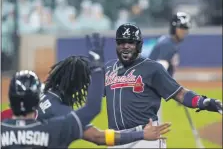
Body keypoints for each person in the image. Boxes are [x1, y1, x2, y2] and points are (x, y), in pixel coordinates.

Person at [1, 56, 172, 147]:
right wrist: (141, 134)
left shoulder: (40, 94)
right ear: (77, 85)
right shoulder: (62, 112)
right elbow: (99, 137)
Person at [103, 23, 222, 148]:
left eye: (130, 42)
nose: (125, 46)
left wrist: (202, 102)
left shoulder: (153, 68)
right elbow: (91, 93)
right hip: (116, 138)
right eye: (121, 42)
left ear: (138, 45)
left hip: (145, 138)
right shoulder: (108, 68)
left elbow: (180, 93)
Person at [1, 68, 102, 148]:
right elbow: (92, 108)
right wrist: (96, 68)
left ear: (10, 97)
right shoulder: (54, 130)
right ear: (37, 100)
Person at [149, 12, 191, 76]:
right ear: (174, 28)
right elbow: (160, 71)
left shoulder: (171, 42)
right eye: (181, 28)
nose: (184, 31)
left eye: (186, 28)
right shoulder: (168, 44)